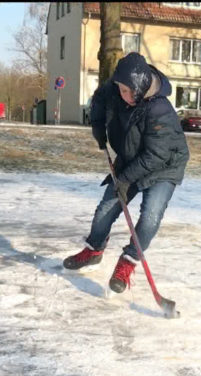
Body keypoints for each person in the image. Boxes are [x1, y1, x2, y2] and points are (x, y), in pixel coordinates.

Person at [62, 52, 190, 293]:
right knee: (105, 210)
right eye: (120, 89)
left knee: (150, 215)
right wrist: (98, 128)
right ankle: (94, 250)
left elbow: (156, 155)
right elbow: (99, 100)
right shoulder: (114, 89)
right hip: (131, 159)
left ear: (141, 88)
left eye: (128, 91)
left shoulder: (159, 109)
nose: (123, 96)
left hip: (165, 166)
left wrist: (124, 179)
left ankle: (128, 261)